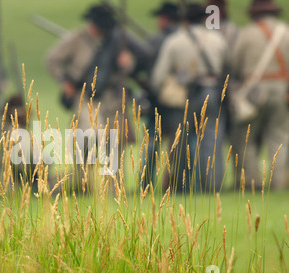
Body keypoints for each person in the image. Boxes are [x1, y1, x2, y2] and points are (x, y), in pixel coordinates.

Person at [45, 4, 151, 191]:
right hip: (86, 97)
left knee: (115, 143)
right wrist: (65, 82)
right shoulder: (77, 39)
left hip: (114, 97)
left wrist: (129, 63)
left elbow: (143, 59)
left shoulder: (117, 39)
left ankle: (114, 190)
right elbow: (52, 60)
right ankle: (75, 182)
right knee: (90, 136)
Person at [151, 3, 228, 192]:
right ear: (203, 18)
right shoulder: (217, 39)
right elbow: (228, 68)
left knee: (180, 141)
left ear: (183, 20)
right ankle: (212, 187)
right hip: (213, 91)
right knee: (212, 141)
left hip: (184, 94)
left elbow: (158, 76)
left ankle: (178, 185)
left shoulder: (174, 41)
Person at [229, 0, 289, 191]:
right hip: (282, 89)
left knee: (246, 137)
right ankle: (277, 183)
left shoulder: (247, 34)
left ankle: (250, 183)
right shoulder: (286, 32)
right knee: (278, 137)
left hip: (253, 90)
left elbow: (235, 64)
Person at [144, 2, 182, 189]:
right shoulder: (184, 39)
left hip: (158, 100)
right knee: (181, 141)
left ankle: (146, 184)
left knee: (152, 143)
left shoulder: (156, 41)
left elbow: (149, 70)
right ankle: (180, 184)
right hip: (180, 99)